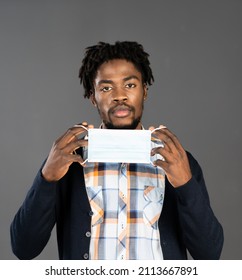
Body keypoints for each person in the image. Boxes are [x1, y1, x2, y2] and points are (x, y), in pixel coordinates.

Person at [10, 41, 223, 260]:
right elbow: (23, 248)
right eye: (106, 88)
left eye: (130, 85)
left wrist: (186, 185)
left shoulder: (177, 161)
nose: (119, 96)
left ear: (145, 91)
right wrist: (47, 179)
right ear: (93, 97)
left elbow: (209, 253)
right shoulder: (67, 161)